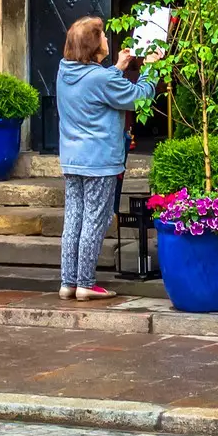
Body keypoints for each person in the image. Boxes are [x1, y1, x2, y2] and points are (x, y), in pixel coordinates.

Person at [55, 15, 154, 301]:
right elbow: (139, 97)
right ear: (94, 46)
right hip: (99, 161)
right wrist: (151, 69)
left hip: (72, 159)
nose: (107, 40)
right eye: (102, 36)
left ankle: (68, 282)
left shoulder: (65, 70)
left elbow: (96, 84)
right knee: (94, 221)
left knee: (73, 219)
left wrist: (117, 68)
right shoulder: (101, 78)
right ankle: (86, 283)